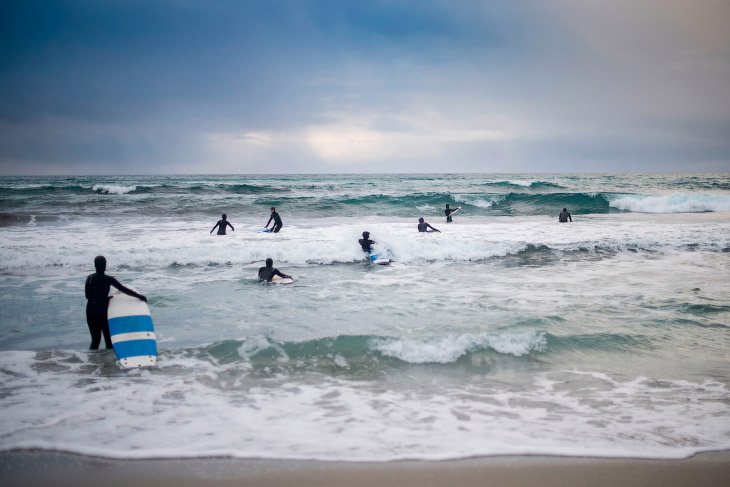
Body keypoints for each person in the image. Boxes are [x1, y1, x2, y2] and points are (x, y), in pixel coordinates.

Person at [85, 256, 147, 350]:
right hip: (102, 311)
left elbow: (87, 296)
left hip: (90, 310)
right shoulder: (108, 279)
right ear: (105, 265)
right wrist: (139, 296)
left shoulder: (89, 278)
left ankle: (92, 362)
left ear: (95, 265)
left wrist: (102, 298)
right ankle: (108, 363)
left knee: (95, 341)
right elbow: (123, 289)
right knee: (108, 341)